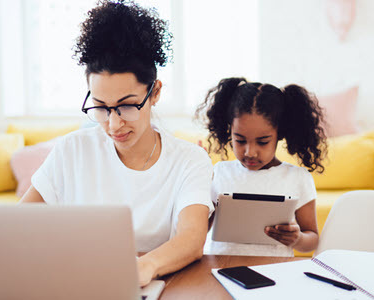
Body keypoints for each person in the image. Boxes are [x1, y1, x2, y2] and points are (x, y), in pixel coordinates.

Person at [20, 0, 214, 286]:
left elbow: (192, 239)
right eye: (100, 106)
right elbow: (16, 225)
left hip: (148, 286)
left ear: (155, 91)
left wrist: (143, 267)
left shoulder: (189, 160)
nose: (113, 124)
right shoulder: (72, 149)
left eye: (127, 106)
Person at [197, 77, 327, 257]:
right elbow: (198, 230)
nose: (250, 152)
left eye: (263, 142)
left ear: (279, 134)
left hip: (275, 274)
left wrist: (297, 239)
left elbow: (312, 239)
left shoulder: (297, 178)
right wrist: (198, 178)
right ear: (230, 132)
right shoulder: (220, 172)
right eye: (240, 140)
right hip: (221, 270)